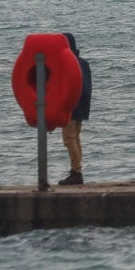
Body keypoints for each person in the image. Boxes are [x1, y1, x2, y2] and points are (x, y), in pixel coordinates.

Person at [58, 32, 92, 185]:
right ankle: (77, 171)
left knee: (69, 139)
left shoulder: (66, 63)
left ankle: (76, 172)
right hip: (83, 105)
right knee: (76, 138)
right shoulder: (84, 63)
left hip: (71, 105)